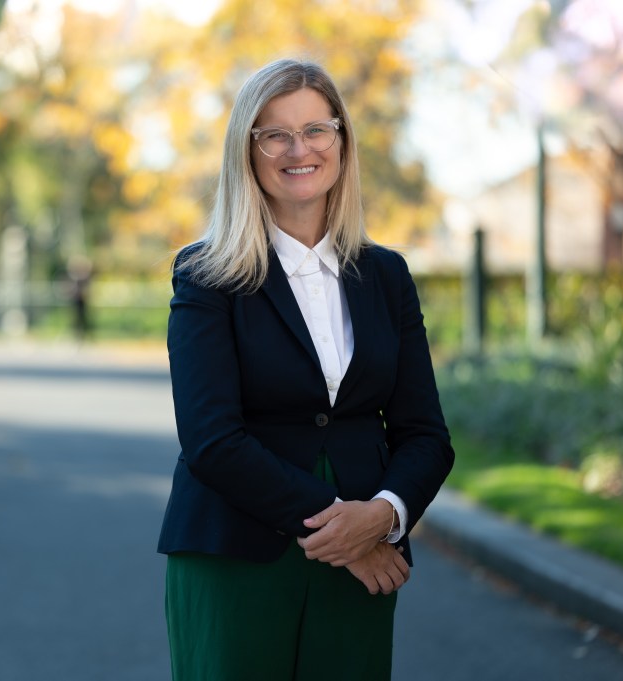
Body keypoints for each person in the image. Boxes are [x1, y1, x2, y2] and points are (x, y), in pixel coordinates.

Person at [157, 58, 455, 681]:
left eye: (316, 130)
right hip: (236, 554)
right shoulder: (206, 272)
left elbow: (425, 433)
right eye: (275, 134)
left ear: (342, 141)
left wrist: (385, 515)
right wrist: (345, 528)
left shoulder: (387, 275)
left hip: (362, 562)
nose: (299, 149)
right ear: (248, 149)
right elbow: (212, 439)